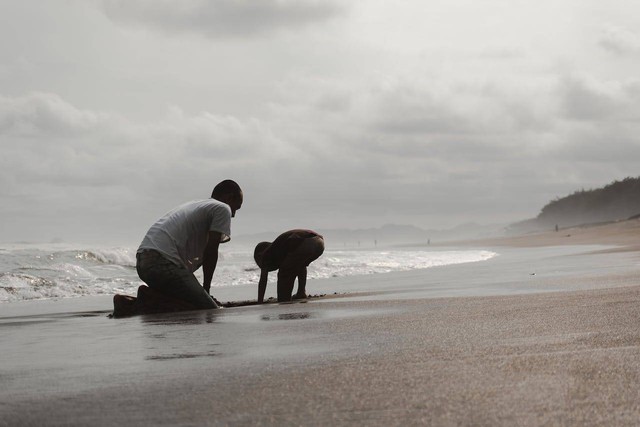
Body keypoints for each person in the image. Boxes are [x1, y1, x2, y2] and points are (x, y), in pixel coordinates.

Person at [135, 180, 243, 310]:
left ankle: (145, 298)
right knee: (208, 308)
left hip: (143, 262)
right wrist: (206, 290)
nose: (233, 215)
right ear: (229, 197)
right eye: (236, 208)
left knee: (184, 303)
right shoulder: (222, 208)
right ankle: (135, 305)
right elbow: (211, 251)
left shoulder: (196, 204)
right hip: (162, 263)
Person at [254, 229, 324, 303]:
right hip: (319, 242)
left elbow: (263, 280)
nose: (260, 265)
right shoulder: (280, 248)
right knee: (300, 265)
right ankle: (301, 292)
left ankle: (284, 298)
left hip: (304, 242)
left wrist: (260, 301)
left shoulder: (266, 254)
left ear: (259, 255)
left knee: (284, 272)